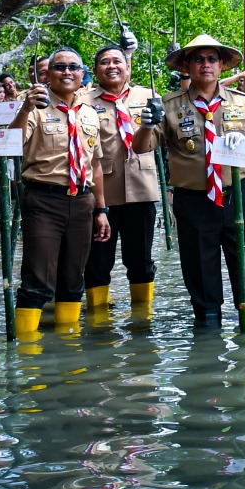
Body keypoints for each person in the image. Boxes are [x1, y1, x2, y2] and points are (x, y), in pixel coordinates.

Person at [132, 33, 245, 327]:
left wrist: (242, 143)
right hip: (194, 199)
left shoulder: (242, 101)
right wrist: (146, 124)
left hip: (236, 196)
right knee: (200, 268)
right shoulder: (169, 104)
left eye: (212, 59)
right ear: (187, 67)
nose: (206, 64)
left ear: (221, 65)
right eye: (198, 59)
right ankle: (208, 326)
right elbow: (141, 147)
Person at [9, 48, 108, 335]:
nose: (67, 72)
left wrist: (101, 209)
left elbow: (96, 165)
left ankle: (69, 345)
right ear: (48, 74)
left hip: (82, 201)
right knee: (37, 277)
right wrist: (25, 109)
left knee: (73, 277)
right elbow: (11, 144)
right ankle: (26, 348)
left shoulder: (89, 113)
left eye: (73, 67)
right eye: (59, 67)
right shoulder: (34, 107)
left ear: (82, 74)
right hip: (43, 200)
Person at [80, 40, 162, 310]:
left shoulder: (148, 95)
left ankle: (142, 317)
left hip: (142, 188)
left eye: (117, 61)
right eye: (104, 62)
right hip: (102, 192)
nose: (111, 66)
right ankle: (98, 318)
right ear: (95, 70)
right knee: (97, 260)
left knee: (141, 260)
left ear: (128, 67)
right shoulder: (83, 101)